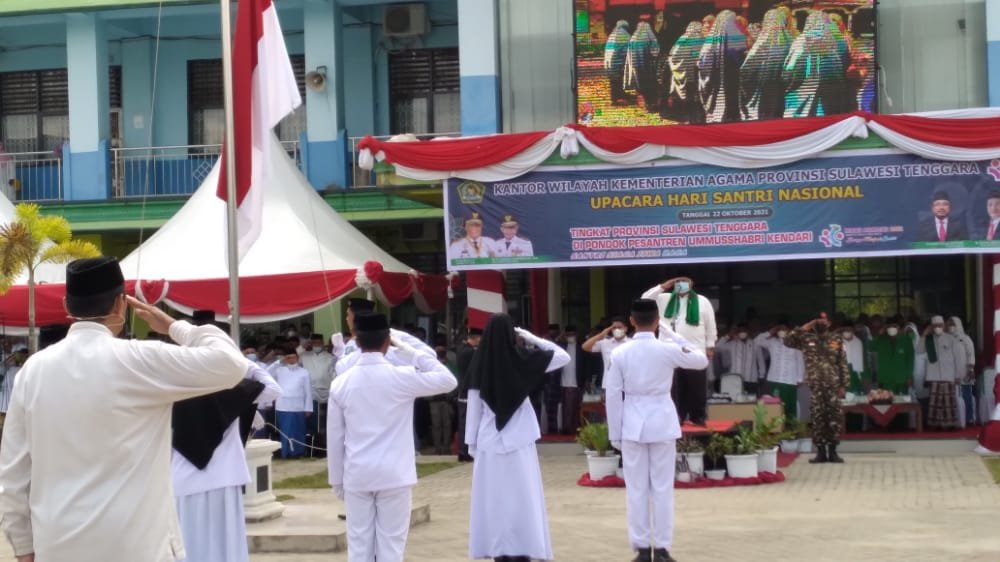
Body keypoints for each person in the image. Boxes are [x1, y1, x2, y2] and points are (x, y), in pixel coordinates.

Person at [0, 256, 248, 561]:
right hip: (136, 544)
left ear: (67, 305)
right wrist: (175, 327)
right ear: (121, 304)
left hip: (58, 543)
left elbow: (13, 471)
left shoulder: (33, 371)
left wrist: (23, 545)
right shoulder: (140, 359)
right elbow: (232, 365)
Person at [327, 312, 456, 561]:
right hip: (395, 474)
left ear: (358, 341)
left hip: (357, 473)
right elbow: (448, 380)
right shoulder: (402, 377)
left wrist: (337, 481)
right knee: (391, 546)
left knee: (358, 544)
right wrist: (408, 349)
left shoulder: (341, 383)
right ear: (387, 342)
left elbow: (335, 437)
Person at [605, 299, 708, 562]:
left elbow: (614, 396)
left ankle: (641, 549)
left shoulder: (620, 353)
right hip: (661, 420)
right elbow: (700, 360)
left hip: (632, 423)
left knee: (636, 489)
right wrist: (673, 334)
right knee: (662, 488)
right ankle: (662, 549)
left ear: (631, 321)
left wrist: (614, 432)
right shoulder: (666, 349)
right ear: (656, 320)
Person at [465, 314, 570, 562]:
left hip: (489, 442)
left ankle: (498, 549)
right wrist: (532, 337)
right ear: (513, 335)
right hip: (520, 440)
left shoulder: (479, 364)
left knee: (493, 501)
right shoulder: (524, 360)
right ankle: (525, 547)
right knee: (524, 498)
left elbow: (473, 410)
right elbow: (562, 356)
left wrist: (471, 445)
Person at [172, 360, 281, 562]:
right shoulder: (229, 390)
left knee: (188, 542)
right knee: (225, 545)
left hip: (183, 477)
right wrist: (245, 364)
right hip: (223, 476)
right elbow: (273, 388)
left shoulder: (174, 390)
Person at [642, 277, 717, 425]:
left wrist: (710, 345)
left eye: (684, 282)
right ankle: (677, 417)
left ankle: (698, 416)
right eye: (678, 282)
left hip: (694, 348)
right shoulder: (664, 298)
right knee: (674, 385)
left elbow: (710, 323)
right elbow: (644, 299)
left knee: (696, 384)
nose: (681, 285)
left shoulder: (702, 301)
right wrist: (663, 286)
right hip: (669, 349)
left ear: (691, 284)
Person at [783, 313, 850, 463]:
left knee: (834, 418)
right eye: (818, 320)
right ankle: (820, 452)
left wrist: (843, 385)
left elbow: (842, 363)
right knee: (818, 418)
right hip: (815, 385)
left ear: (829, 323)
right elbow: (787, 341)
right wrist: (806, 326)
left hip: (833, 384)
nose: (821, 322)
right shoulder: (806, 339)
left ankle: (833, 452)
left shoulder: (836, 339)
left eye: (824, 320)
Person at [782, 10, 844, 118]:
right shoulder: (831, 42)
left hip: (800, 96)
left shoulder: (801, 41)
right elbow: (838, 71)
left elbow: (790, 68)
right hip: (827, 98)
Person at [740, 7, 795, 120]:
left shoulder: (762, 42)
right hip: (783, 91)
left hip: (762, 91)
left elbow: (746, 69)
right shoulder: (791, 40)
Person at [698, 10, 748, 123]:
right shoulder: (738, 37)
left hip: (718, 85)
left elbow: (703, 63)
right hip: (733, 84)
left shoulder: (710, 42)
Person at [919, 315, 967, 430]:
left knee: (948, 402)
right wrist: (924, 335)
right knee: (935, 403)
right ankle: (934, 425)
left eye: (940, 325)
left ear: (943, 325)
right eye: (935, 326)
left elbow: (959, 359)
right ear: (931, 326)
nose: (937, 327)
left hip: (948, 375)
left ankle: (950, 424)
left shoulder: (951, 339)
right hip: (933, 375)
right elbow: (919, 351)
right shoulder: (928, 339)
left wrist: (958, 375)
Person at [269, 349, 313, 458]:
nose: (291, 359)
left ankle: (298, 453)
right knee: (286, 431)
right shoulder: (280, 370)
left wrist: (308, 408)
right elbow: (267, 372)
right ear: (285, 358)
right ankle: (286, 453)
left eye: (293, 357)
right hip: (283, 407)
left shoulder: (304, 372)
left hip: (298, 406)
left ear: (297, 358)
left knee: (298, 431)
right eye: (288, 357)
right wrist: (279, 362)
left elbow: (308, 391)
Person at [755, 323, 805, 419]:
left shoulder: (796, 343)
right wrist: (770, 331)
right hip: (775, 379)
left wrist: (800, 378)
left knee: (790, 406)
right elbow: (757, 341)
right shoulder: (772, 342)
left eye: (784, 329)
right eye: (780, 329)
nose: (782, 331)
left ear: (788, 331)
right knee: (775, 406)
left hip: (790, 380)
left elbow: (800, 361)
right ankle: (775, 429)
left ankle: (790, 428)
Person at [661, 22, 706, 123]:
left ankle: (683, 117)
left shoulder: (682, 39)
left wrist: (678, 67)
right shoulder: (702, 40)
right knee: (695, 97)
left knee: (683, 97)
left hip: (680, 74)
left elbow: (673, 56)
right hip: (695, 75)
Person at [300, 333, 335, 453]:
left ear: (323, 343)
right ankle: (311, 448)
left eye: (319, 343)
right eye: (314, 343)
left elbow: (333, 375)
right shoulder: (304, 356)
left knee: (325, 423)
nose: (317, 345)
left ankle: (323, 447)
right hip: (310, 393)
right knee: (312, 422)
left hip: (326, 392)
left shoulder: (330, 357)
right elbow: (291, 358)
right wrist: (303, 347)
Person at [455, 327, 482, 462]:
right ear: (476, 338)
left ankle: (462, 450)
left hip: (463, 390)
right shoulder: (471, 352)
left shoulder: (461, 350)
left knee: (463, 422)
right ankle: (464, 451)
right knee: (467, 422)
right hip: (468, 391)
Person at [582, 317, 630, 390]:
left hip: (628, 385)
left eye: (619, 327)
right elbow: (585, 347)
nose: (617, 330)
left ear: (626, 329)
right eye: (614, 328)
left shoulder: (632, 343)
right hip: (609, 385)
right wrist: (601, 335)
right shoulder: (605, 343)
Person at [625, 18, 660, 112]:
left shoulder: (633, 38)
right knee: (651, 86)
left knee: (641, 86)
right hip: (649, 67)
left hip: (636, 67)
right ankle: (653, 105)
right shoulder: (650, 37)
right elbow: (655, 52)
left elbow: (629, 55)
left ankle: (646, 106)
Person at [948, 317, 977, 426]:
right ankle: (956, 419)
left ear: (958, 325)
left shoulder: (965, 338)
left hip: (964, 371)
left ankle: (969, 418)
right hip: (951, 373)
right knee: (953, 397)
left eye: (953, 324)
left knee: (966, 395)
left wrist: (971, 369)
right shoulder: (946, 339)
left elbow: (971, 354)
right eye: (949, 324)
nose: (951, 326)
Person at [716, 324, 759, 394]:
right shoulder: (732, 344)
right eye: (740, 331)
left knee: (751, 402)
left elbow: (760, 362)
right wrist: (728, 335)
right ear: (737, 332)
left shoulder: (755, 344)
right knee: (736, 402)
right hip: (735, 379)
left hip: (751, 379)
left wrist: (761, 375)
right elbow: (717, 347)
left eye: (744, 330)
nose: (742, 332)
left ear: (748, 332)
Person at [604, 20, 631, 105]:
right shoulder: (625, 35)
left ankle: (618, 95)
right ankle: (616, 99)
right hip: (617, 63)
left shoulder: (613, 34)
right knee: (618, 80)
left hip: (608, 62)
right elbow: (628, 49)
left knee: (614, 81)